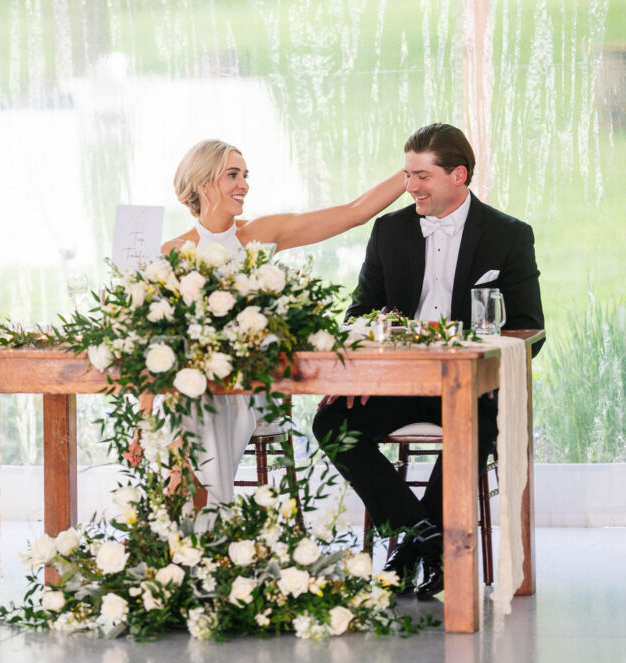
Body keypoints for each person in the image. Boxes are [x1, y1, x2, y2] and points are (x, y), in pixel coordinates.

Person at [312, 123, 544, 599]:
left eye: (421, 175)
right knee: (331, 422)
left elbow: (528, 327)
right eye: (406, 174)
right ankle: (427, 540)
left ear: (458, 175)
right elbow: (359, 313)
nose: (409, 186)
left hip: (473, 387)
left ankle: (412, 548)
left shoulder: (509, 235)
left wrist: (487, 363)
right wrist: (356, 367)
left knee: (473, 426)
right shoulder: (389, 230)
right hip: (398, 382)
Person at [159, 139, 405, 509]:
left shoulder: (260, 234)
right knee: (189, 399)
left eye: (244, 175)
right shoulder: (171, 252)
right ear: (204, 183)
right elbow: (159, 342)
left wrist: (416, 171)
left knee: (192, 407)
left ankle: (190, 530)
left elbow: (355, 212)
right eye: (232, 175)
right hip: (196, 386)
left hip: (255, 382)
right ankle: (202, 525)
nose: (244, 184)